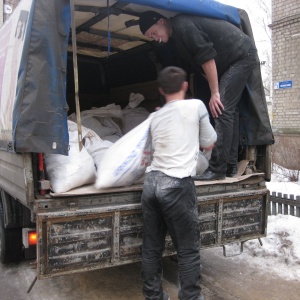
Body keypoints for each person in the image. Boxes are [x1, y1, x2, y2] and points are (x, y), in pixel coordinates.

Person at [139, 10, 260, 180]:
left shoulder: (183, 26)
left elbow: (207, 58)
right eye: (151, 37)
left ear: (160, 21)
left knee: (221, 107)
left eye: (153, 32)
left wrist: (215, 92)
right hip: (227, 62)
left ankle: (217, 169)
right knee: (228, 110)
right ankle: (230, 165)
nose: (155, 38)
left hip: (241, 55)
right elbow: (197, 66)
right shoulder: (174, 40)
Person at [141, 66, 216, 300]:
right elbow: (209, 142)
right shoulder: (196, 106)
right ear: (185, 86)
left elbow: (148, 154)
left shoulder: (154, 116)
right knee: (188, 250)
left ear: (161, 90)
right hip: (176, 185)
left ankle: (153, 296)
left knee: (152, 248)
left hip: (151, 183)